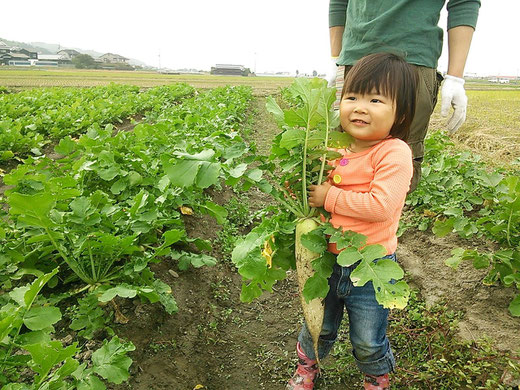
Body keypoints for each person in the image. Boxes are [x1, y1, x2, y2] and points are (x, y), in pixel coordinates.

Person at [287, 53, 418, 390]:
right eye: (352, 97)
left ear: (400, 113)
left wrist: (328, 197)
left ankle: (376, 376)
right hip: (324, 263)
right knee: (318, 324)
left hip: (370, 265)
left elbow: (382, 206)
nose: (360, 107)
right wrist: (297, 187)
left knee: (367, 339)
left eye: (375, 99)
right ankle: (306, 367)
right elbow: (308, 189)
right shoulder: (331, 147)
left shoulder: (394, 152)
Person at [326, 0, 480, 192]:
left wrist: (455, 77)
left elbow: (464, 3)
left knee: (399, 161)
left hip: (410, 63)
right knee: (340, 155)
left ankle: (380, 220)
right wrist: (335, 57)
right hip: (354, 60)